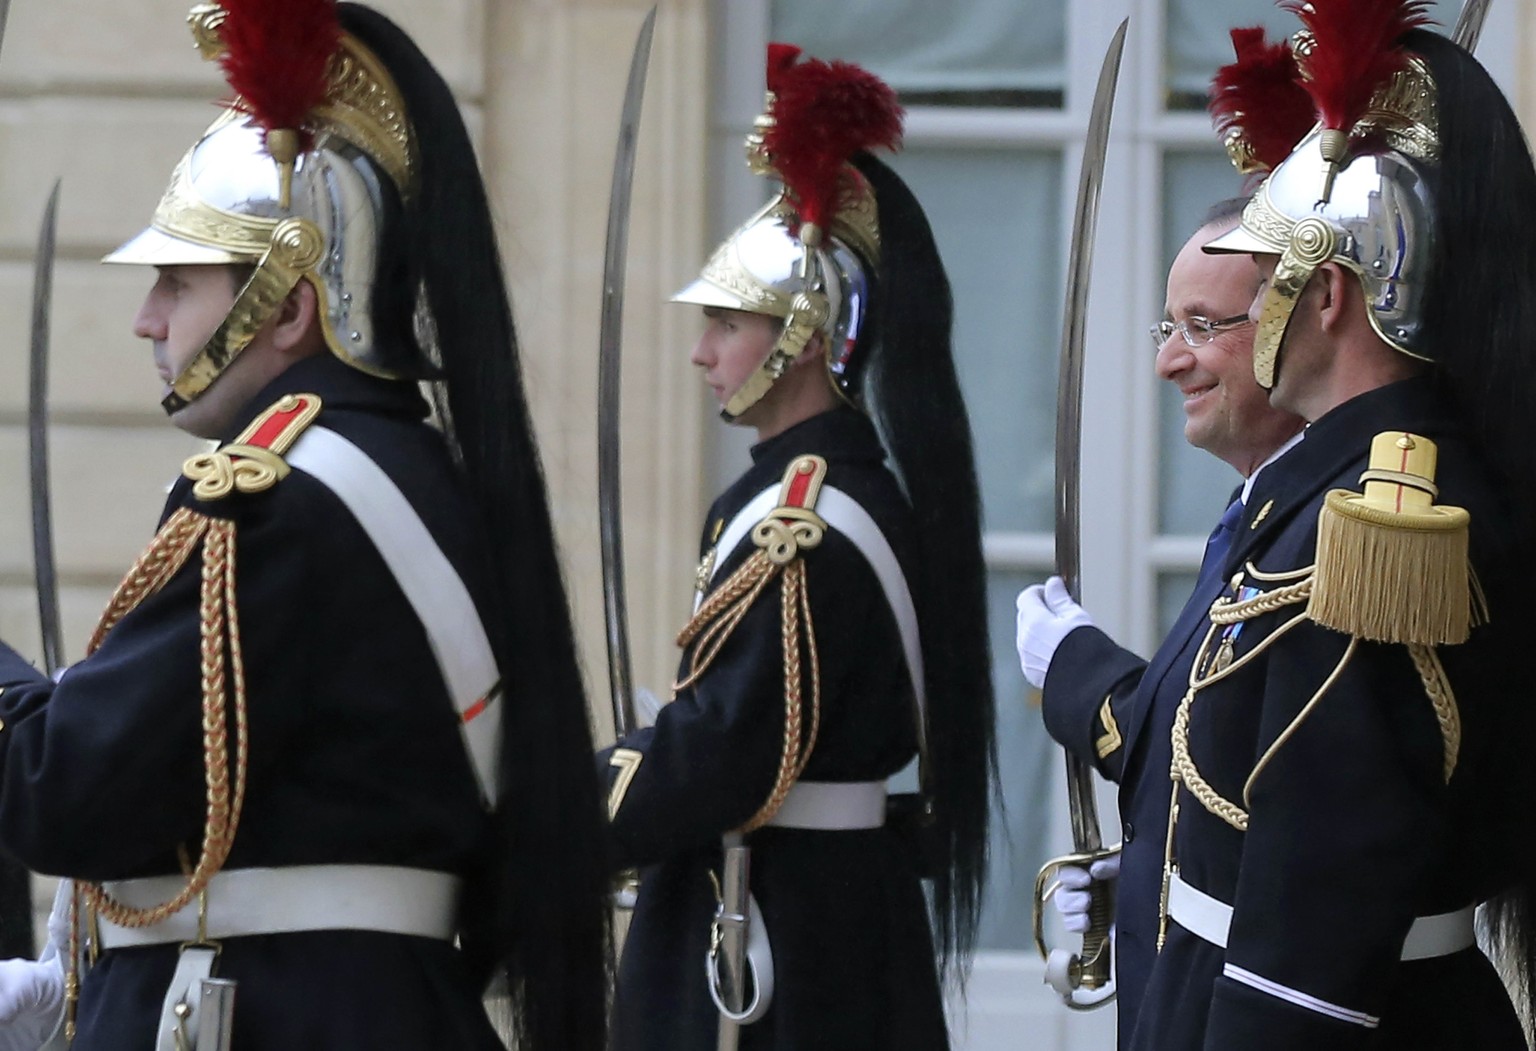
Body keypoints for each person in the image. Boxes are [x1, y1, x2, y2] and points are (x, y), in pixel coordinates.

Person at [0, 3, 610, 1049]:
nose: (149, 318)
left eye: (179, 282)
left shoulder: (271, 500)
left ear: (288, 307)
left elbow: (68, 791)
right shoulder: (413, 476)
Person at [1133, 9, 1536, 1048]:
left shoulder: (1374, 528)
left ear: (1326, 299)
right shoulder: (1323, 493)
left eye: (1266, 278)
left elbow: (1310, 927)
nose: (1248, 301)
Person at [597, 45, 995, 1051]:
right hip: (811, 904)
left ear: (804, 337)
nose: (702, 351)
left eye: (727, 323)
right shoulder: (800, 492)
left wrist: (569, 803)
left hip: (786, 922)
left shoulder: (804, 522)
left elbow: (728, 752)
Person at [1014, 196, 1303, 1043]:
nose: (1169, 361)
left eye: (1203, 325)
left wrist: (1074, 665)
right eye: (1165, 329)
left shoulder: (1334, 524)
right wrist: (1147, 873)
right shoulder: (1262, 509)